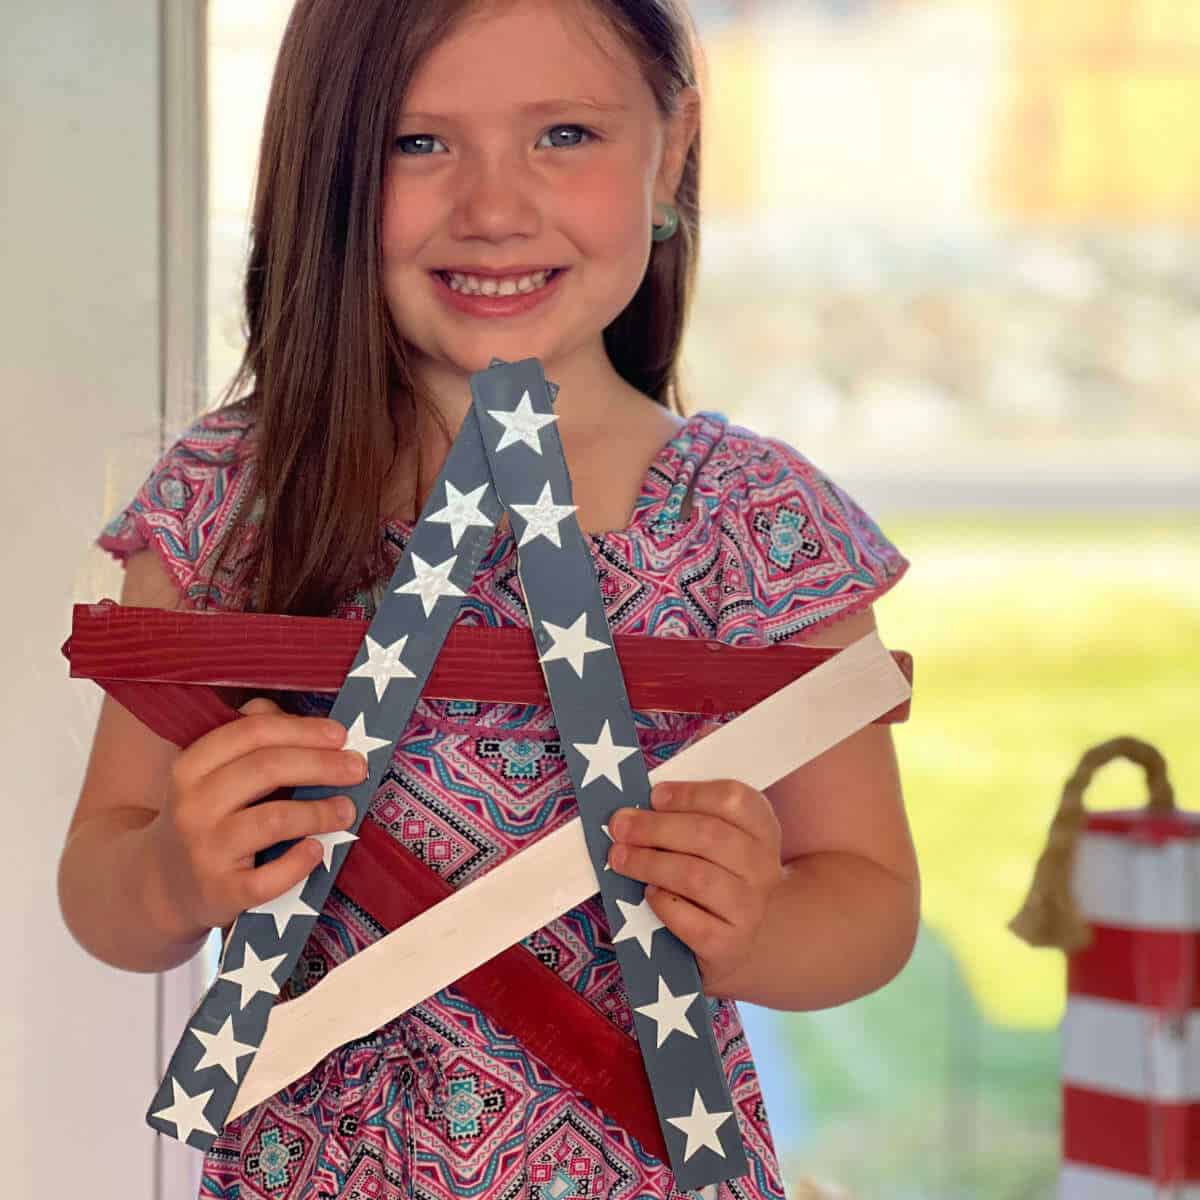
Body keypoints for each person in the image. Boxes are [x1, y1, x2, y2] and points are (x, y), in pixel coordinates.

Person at [57, 0, 920, 1196]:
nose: (496, 207)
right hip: (318, 1163)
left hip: (642, 1156)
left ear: (669, 151)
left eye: (564, 134)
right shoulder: (226, 504)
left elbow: (871, 902)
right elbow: (104, 883)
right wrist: (171, 876)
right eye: (419, 143)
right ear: (330, 171)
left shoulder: (758, 525)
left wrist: (757, 923)